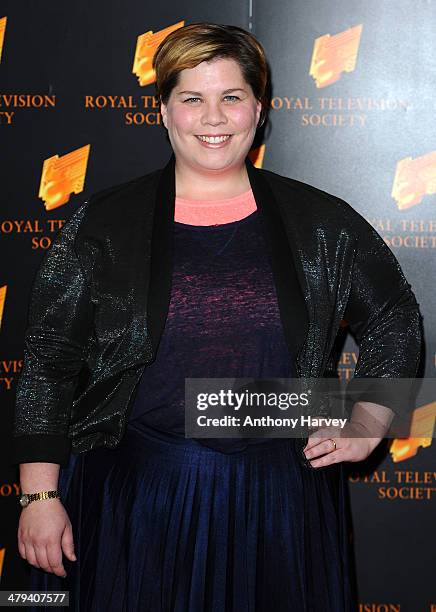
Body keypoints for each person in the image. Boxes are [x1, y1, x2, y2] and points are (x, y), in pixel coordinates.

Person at [11, 22, 421, 612]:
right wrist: (37, 497)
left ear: (258, 108)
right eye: (192, 99)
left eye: (231, 97)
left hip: (283, 496)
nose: (213, 117)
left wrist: (372, 416)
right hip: (140, 495)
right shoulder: (104, 224)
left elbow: (395, 321)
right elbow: (49, 364)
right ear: (164, 112)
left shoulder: (321, 222)